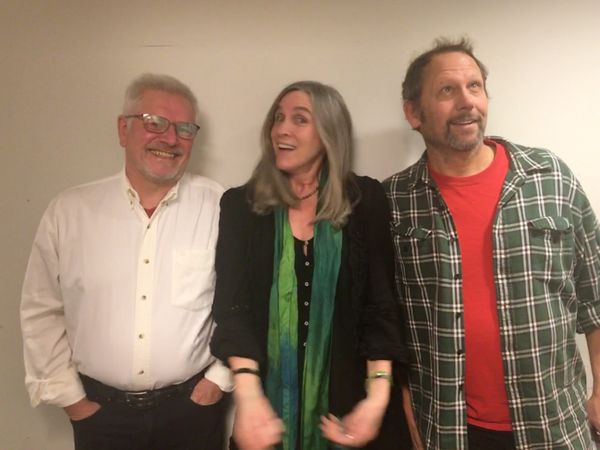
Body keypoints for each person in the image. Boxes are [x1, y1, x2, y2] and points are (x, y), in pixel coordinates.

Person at [383, 37, 600, 449]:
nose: (467, 101)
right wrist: (408, 415)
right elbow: (388, 324)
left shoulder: (549, 177)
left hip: (554, 425)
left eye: (475, 87)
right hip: (450, 431)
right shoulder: (394, 201)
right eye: (447, 90)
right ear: (414, 113)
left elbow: (596, 293)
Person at [20, 73, 232, 450]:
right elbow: (41, 310)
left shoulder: (222, 208)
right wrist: (73, 401)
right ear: (123, 129)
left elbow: (244, 302)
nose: (170, 138)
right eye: (155, 122)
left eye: (184, 128)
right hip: (101, 417)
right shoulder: (69, 212)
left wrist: (219, 381)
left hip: (192, 413)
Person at [210, 80, 417, 450]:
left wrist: (376, 400)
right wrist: (249, 397)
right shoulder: (241, 205)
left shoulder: (364, 199)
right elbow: (232, 309)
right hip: (265, 411)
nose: (282, 129)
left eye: (299, 119)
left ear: (328, 133)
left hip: (351, 409)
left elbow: (380, 306)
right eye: (278, 118)